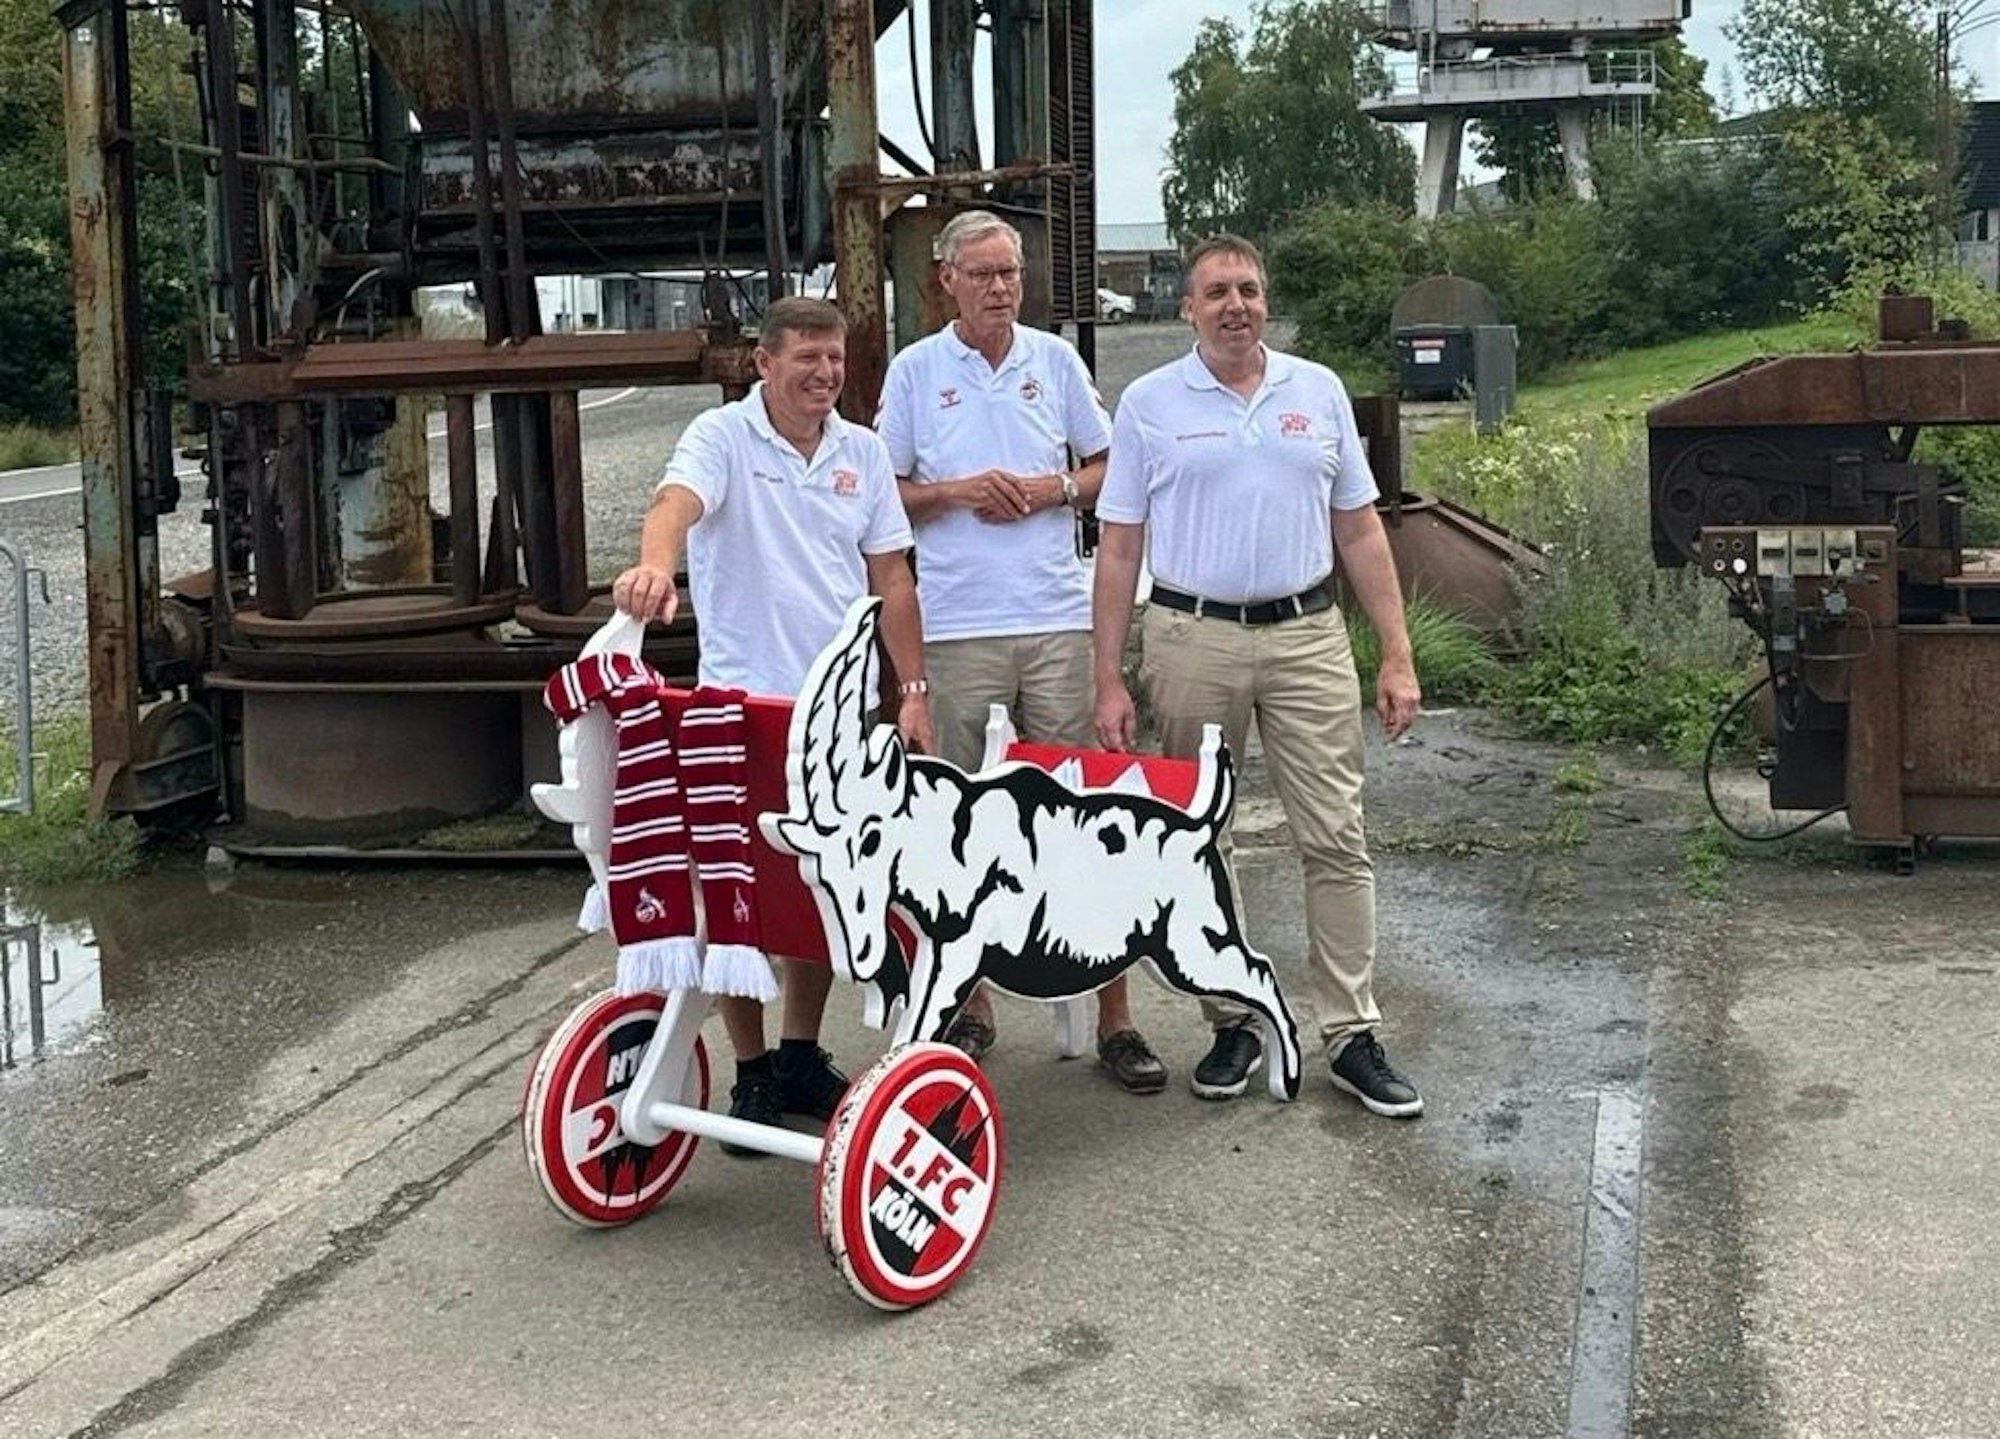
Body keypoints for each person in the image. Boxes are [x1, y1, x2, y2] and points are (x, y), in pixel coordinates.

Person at [1090, 234, 1426, 1118]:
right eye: (1216, 292)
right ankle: (1233, 1017)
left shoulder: (1313, 392)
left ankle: (1350, 1031)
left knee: (1336, 836)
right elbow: (1119, 544)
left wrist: (1395, 652)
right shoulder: (1150, 403)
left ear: (1265, 302)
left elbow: (1359, 527)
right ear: (1187, 309)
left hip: (1308, 635)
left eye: (1248, 289)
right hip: (1191, 635)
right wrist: (1109, 677)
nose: (1235, 305)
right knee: (1203, 840)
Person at [613, 295, 935, 1149]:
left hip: (837, 714)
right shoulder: (722, 440)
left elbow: (892, 580)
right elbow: (673, 503)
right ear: (765, 363)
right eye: (808, 359)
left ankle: (799, 1054)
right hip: (741, 709)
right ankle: (751, 1070)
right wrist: (653, 568)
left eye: (836, 360)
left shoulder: (862, 454)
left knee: (821, 892)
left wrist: (911, 693)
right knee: (740, 895)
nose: (826, 375)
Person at [875, 209, 1166, 1095]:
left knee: (1089, 805)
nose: (1004, 287)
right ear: (947, 282)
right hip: (957, 625)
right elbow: (884, 494)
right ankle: (971, 1005)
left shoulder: (1054, 360)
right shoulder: (917, 371)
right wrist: (957, 490)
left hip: (1055, 617)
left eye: (1012, 272)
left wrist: (1050, 490)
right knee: (951, 823)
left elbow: (1111, 468)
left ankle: (1116, 1014)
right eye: (986, 274)